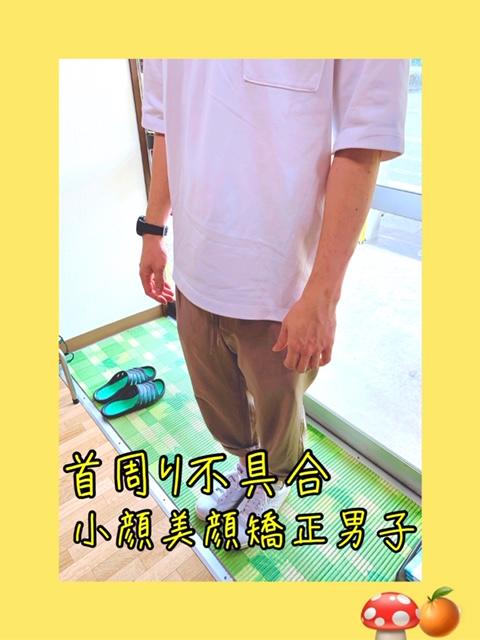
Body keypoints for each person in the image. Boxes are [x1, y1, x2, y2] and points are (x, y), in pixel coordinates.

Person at [139, 59, 409, 547]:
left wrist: (323, 296)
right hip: (195, 261)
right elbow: (166, 125)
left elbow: (363, 141)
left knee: (278, 409)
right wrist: (153, 230)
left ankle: (274, 483)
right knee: (219, 400)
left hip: (279, 278)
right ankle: (249, 469)